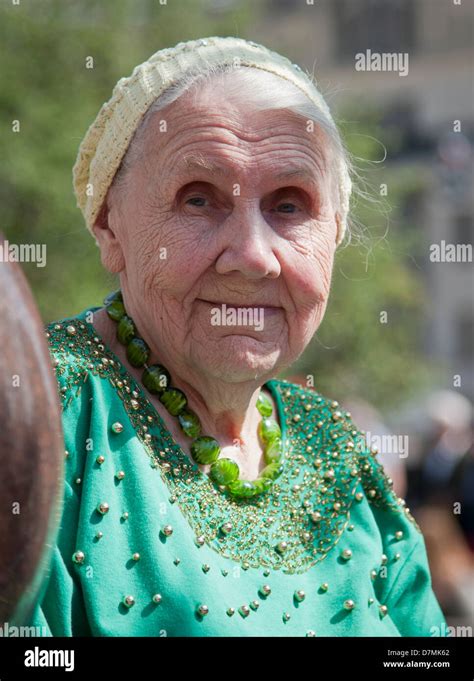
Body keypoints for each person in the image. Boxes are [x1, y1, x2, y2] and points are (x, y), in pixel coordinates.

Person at [26, 36, 446, 637]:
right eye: (198, 199)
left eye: (289, 205)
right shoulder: (39, 410)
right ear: (108, 226)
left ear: (334, 236)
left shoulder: (338, 454)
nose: (253, 257)